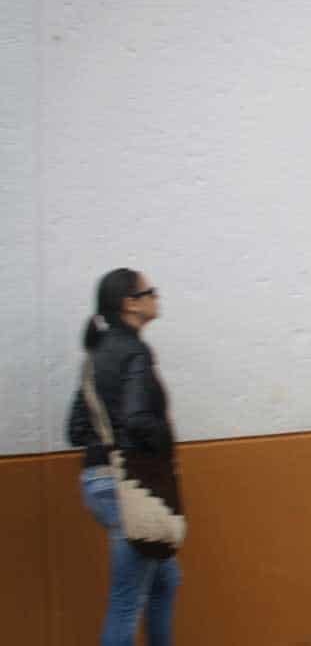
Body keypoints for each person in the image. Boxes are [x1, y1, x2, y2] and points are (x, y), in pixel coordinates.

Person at [67, 268, 181, 646]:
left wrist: (109, 442)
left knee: (166, 579)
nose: (156, 297)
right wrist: (165, 445)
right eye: (150, 291)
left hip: (98, 480)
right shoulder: (135, 350)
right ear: (129, 304)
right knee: (126, 601)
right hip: (127, 486)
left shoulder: (95, 355)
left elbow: (74, 430)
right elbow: (138, 421)